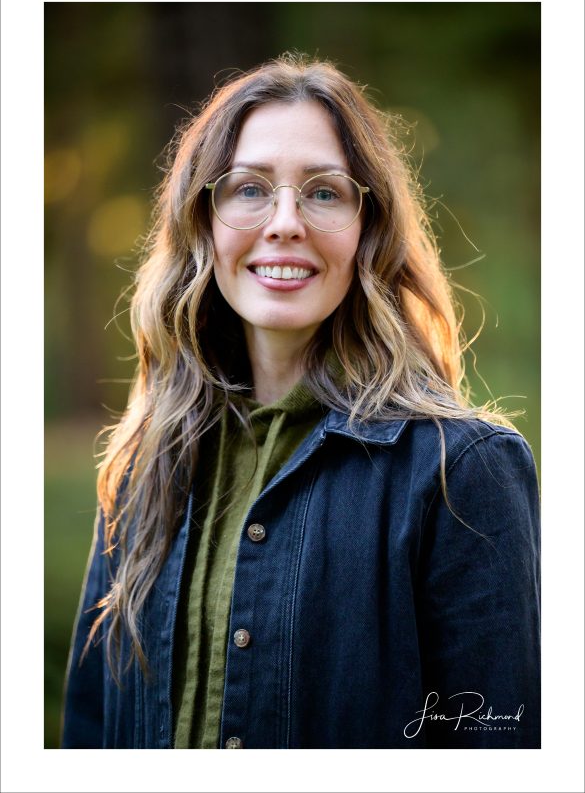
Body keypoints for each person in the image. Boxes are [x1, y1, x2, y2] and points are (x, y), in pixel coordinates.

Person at [61, 53, 540, 749]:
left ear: (368, 227)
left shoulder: (461, 471)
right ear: (202, 219)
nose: (285, 222)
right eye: (249, 188)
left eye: (324, 192)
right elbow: (89, 729)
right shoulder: (147, 464)